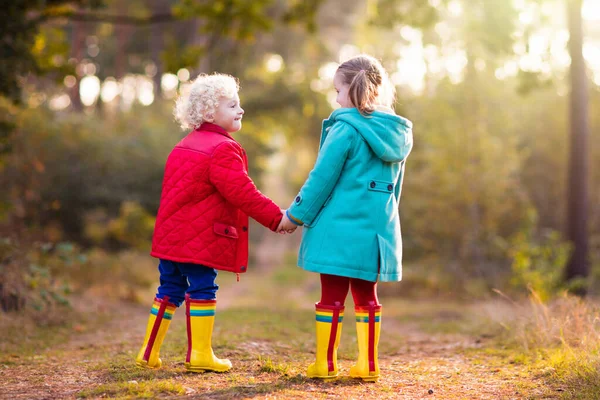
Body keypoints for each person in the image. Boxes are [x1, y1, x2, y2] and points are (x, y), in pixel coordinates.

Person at [136, 73, 286, 373]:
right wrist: (276, 218)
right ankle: (200, 354)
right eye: (232, 105)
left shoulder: (184, 145)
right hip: (199, 238)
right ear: (209, 113)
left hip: (171, 238)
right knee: (203, 288)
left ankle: (147, 353)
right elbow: (242, 192)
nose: (240, 110)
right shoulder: (222, 149)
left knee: (169, 288)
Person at [279, 54, 413, 381]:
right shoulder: (397, 133)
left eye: (338, 90)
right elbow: (394, 191)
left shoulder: (346, 128)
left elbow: (321, 179)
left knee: (331, 296)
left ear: (353, 90)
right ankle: (368, 365)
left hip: (338, 229)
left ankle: (325, 364)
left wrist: (295, 215)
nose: (336, 98)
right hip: (376, 231)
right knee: (368, 296)